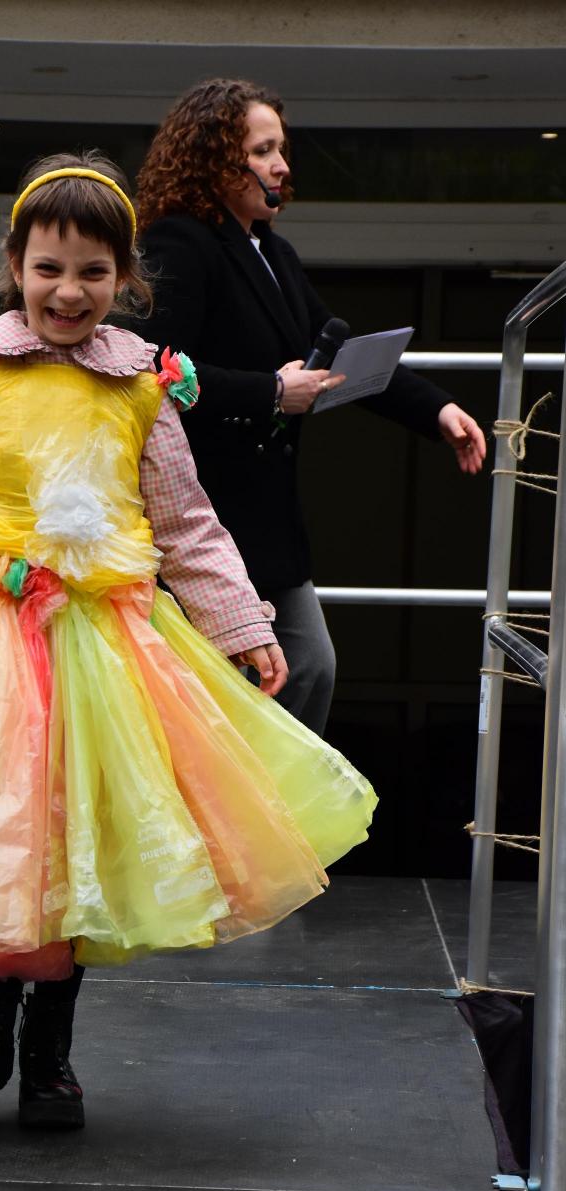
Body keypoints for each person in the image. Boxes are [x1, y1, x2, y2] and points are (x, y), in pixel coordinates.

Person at [0, 150, 377, 1136]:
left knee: (74, 840)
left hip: (106, 647)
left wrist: (243, 625)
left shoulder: (141, 386)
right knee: (4, 834)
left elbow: (188, 527)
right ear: (14, 266)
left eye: (92, 272)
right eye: (48, 268)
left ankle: (48, 1050)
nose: (68, 292)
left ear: (125, 278)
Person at [136, 79, 487, 735]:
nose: (281, 166)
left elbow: (342, 355)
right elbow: (156, 367)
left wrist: (435, 411)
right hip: (203, 515)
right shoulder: (180, 243)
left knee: (308, 666)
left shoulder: (272, 250)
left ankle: (262, 798)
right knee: (240, 686)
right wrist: (270, 392)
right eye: (262, 151)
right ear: (214, 158)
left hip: (266, 520)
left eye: (280, 150)